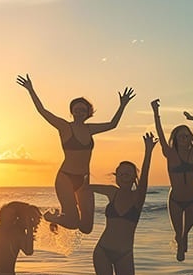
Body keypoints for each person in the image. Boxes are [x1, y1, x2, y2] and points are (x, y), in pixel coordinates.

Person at [16, 74, 134, 233]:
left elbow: (113, 124)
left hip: (84, 180)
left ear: (88, 113)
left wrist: (123, 104)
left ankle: (60, 215)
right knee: (72, 222)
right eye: (76, 110)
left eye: (83, 110)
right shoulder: (64, 127)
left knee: (86, 228)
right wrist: (31, 90)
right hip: (65, 177)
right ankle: (51, 217)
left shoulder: (90, 129)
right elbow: (43, 111)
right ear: (72, 111)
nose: (79, 112)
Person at [91, 133, 155, 275]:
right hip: (102, 251)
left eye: (129, 173)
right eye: (121, 173)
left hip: (124, 254)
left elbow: (145, 179)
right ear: (117, 176)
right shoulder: (112, 192)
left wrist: (148, 151)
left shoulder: (137, 197)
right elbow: (84, 188)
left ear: (134, 177)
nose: (125, 176)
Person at [152, 96, 193, 261]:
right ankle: (180, 241)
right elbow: (159, 131)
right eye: (181, 136)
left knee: (184, 233)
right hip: (175, 200)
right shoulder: (170, 154)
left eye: (187, 136)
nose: (184, 139)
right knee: (178, 234)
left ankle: (183, 238)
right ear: (176, 138)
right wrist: (156, 112)